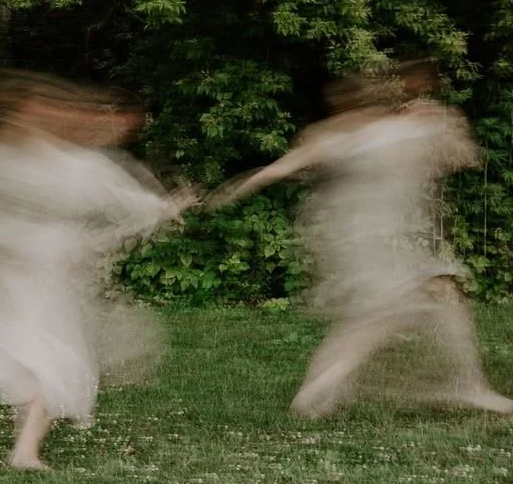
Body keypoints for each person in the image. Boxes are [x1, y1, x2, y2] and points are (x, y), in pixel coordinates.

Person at [0, 70, 196, 469]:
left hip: (51, 269)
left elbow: (119, 196)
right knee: (21, 348)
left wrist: (163, 206)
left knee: (54, 356)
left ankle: (26, 450)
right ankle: (24, 443)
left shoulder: (74, 163)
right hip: (10, 265)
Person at [210, 61, 513, 417]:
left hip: (352, 237)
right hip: (380, 240)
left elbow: (279, 169)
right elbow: (463, 158)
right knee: (387, 317)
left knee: (402, 308)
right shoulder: (393, 128)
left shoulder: (334, 134)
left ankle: (325, 390)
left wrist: (233, 190)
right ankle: (320, 391)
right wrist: (443, 126)